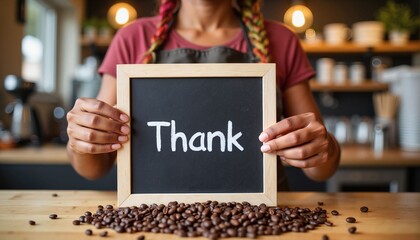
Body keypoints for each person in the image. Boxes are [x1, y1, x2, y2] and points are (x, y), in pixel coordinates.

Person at [67, 0, 340, 190]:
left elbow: (320, 168)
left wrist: (322, 148)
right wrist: (81, 136)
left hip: (262, 220)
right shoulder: (133, 37)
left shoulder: (281, 39)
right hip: (152, 219)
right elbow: (94, 168)